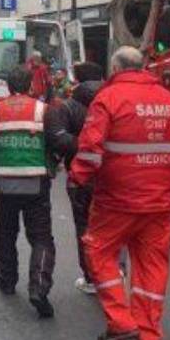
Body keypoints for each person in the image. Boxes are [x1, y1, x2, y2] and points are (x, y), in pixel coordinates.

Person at [70, 47, 170, 340]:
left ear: (116, 67)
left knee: (98, 251)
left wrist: (77, 178)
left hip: (116, 200)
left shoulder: (108, 99)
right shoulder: (169, 100)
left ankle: (121, 323)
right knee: (152, 266)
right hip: (159, 202)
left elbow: (90, 149)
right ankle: (148, 333)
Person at [0, 65, 56, 319]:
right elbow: (57, 142)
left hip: (5, 184)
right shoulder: (44, 110)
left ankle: (7, 280)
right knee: (41, 238)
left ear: (8, 86)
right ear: (31, 85)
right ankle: (39, 287)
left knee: (6, 232)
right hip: (37, 185)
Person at [45, 61, 104, 295]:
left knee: (85, 225)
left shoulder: (68, 107)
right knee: (113, 226)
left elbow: (58, 140)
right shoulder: (116, 102)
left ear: (77, 80)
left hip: (82, 176)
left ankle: (91, 276)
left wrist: (84, 149)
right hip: (116, 175)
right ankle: (115, 271)